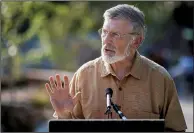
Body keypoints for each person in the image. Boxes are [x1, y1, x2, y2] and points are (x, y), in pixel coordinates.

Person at [45, 4, 187, 131]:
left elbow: (176, 130)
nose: (106, 40)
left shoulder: (160, 79)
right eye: (105, 32)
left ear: (136, 41)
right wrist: (64, 116)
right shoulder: (83, 75)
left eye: (115, 34)